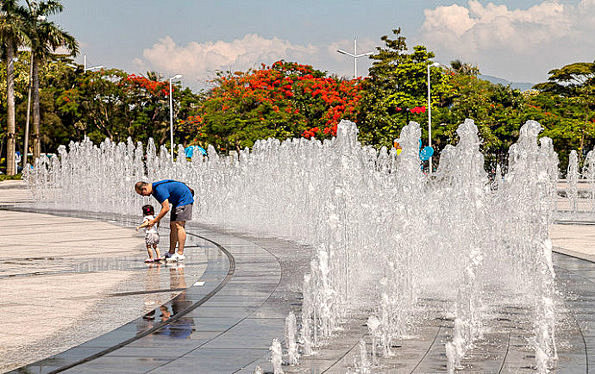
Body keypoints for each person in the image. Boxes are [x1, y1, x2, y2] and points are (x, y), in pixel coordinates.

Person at [134, 179, 194, 262]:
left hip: (184, 200)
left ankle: (180, 253)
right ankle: (171, 252)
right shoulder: (155, 188)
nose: (143, 196)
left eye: (141, 193)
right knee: (172, 225)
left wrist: (154, 221)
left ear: (144, 188)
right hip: (177, 202)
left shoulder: (158, 190)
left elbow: (166, 208)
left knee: (179, 225)